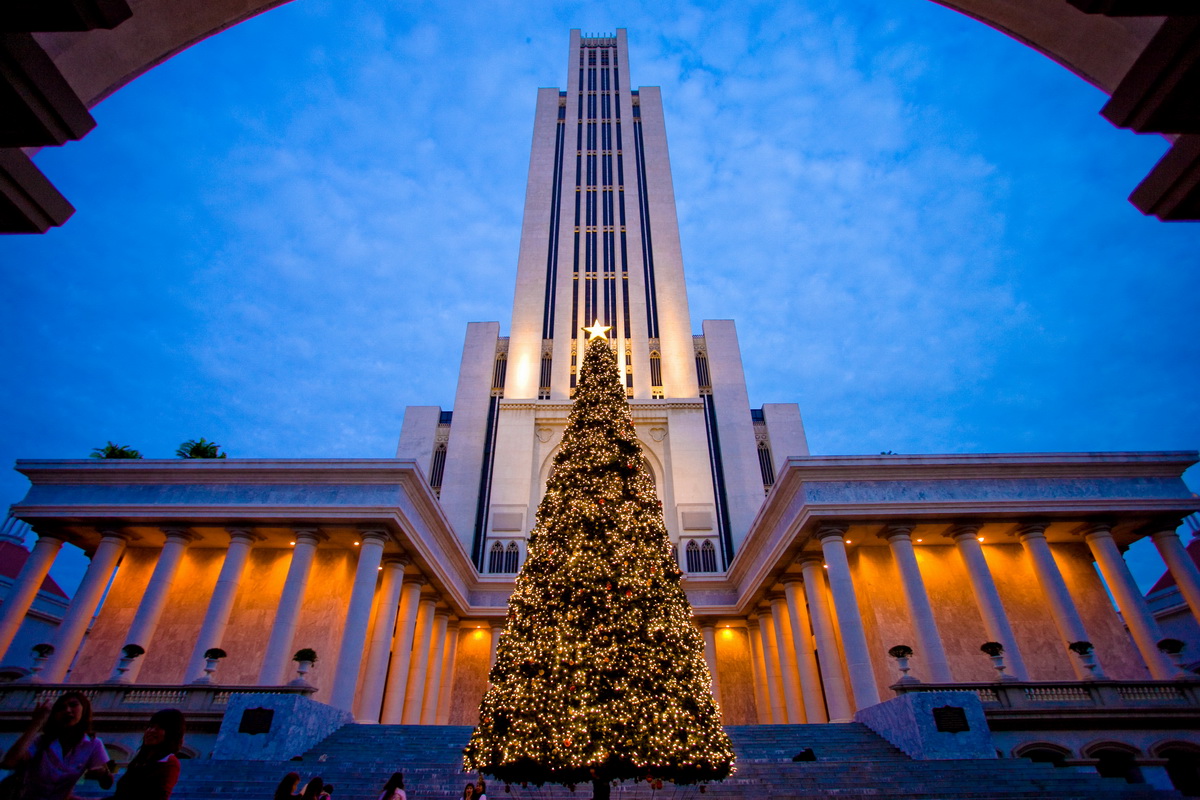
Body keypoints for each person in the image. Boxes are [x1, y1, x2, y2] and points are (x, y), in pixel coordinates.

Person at [0, 690, 112, 800]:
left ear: (84, 709)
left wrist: (103, 774)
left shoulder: (94, 744)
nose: (67, 710)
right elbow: (9, 762)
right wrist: (36, 723)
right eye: (61, 708)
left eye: (73, 705)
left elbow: (107, 783)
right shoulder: (41, 742)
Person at [108, 708, 184, 800]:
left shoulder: (169, 763)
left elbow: (160, 795)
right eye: (151, 726)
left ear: (171, 734)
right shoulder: (139, 761)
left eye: (159, 728)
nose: (151, 731)